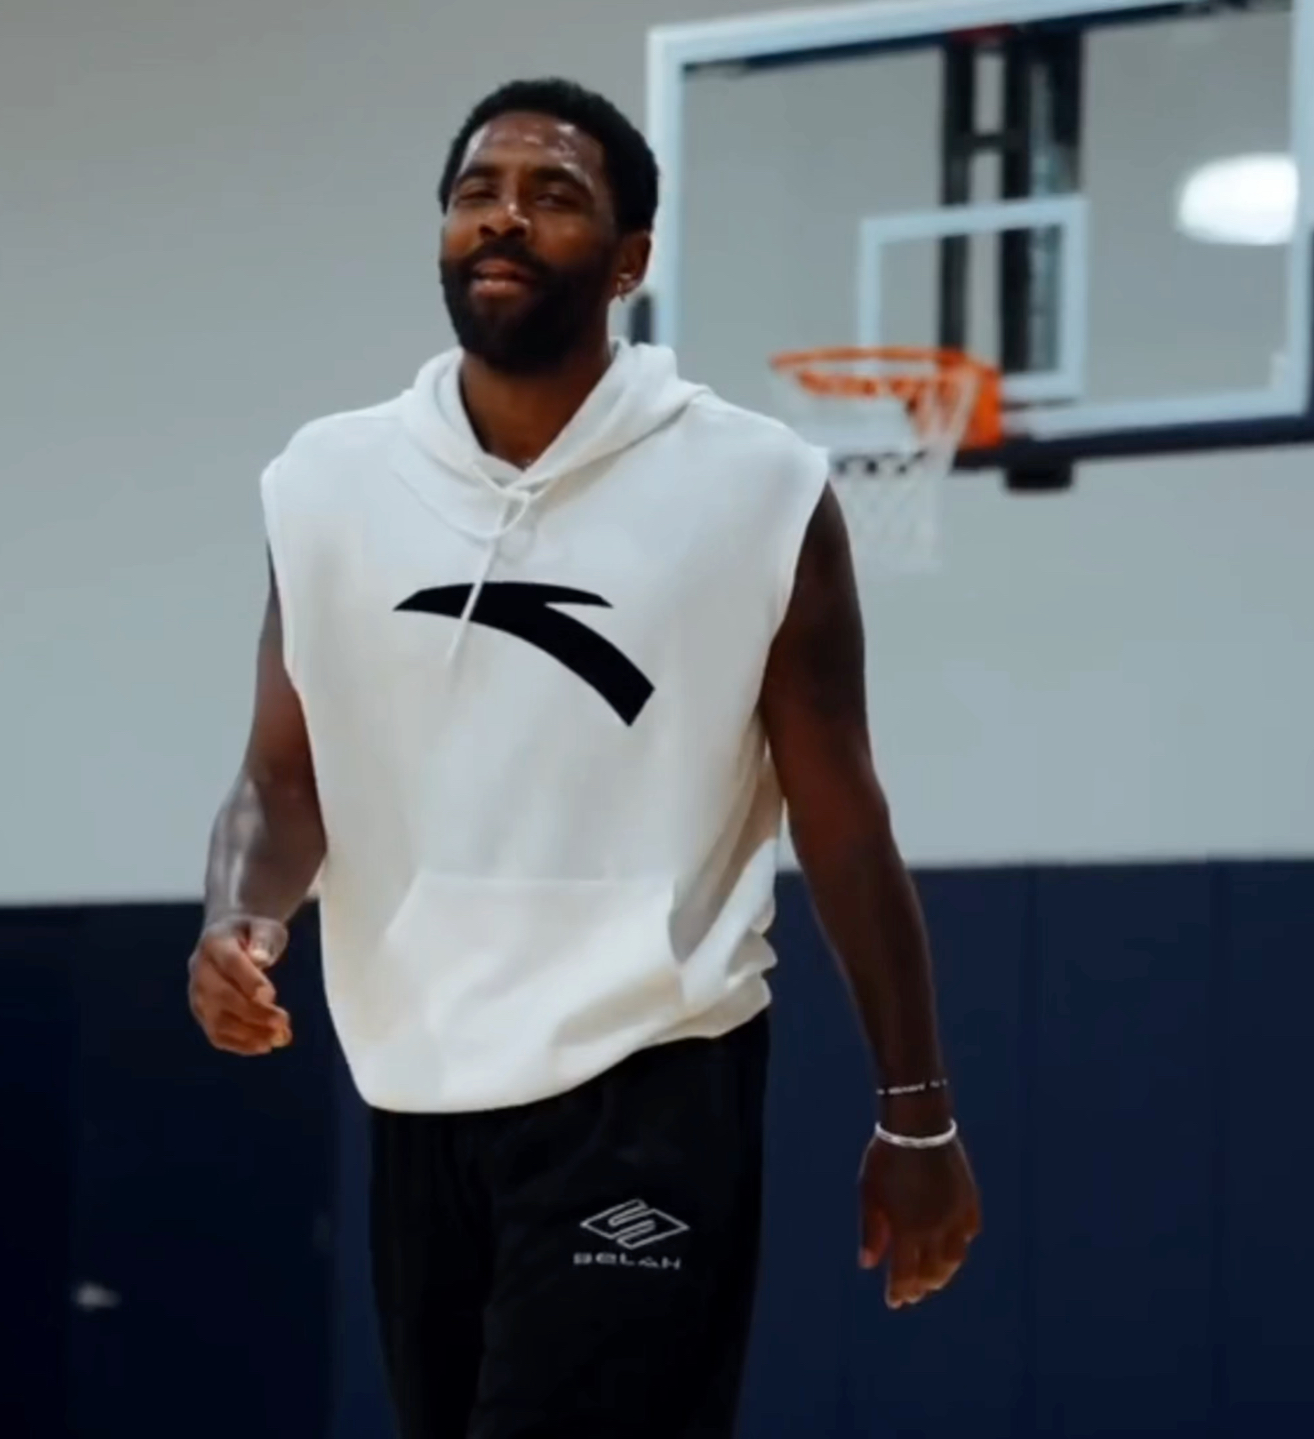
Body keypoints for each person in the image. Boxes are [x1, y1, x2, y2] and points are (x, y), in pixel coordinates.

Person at [187, 76, 981, 1438]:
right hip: (417, 1084)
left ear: (628, 261)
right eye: (475, 194)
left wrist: (917, 1113)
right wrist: (239, 915)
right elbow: (283, 774)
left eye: (552, 197)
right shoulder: (323, 484)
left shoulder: (756, 486)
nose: (503, 219)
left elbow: (844, 822)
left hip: (649, 1072)